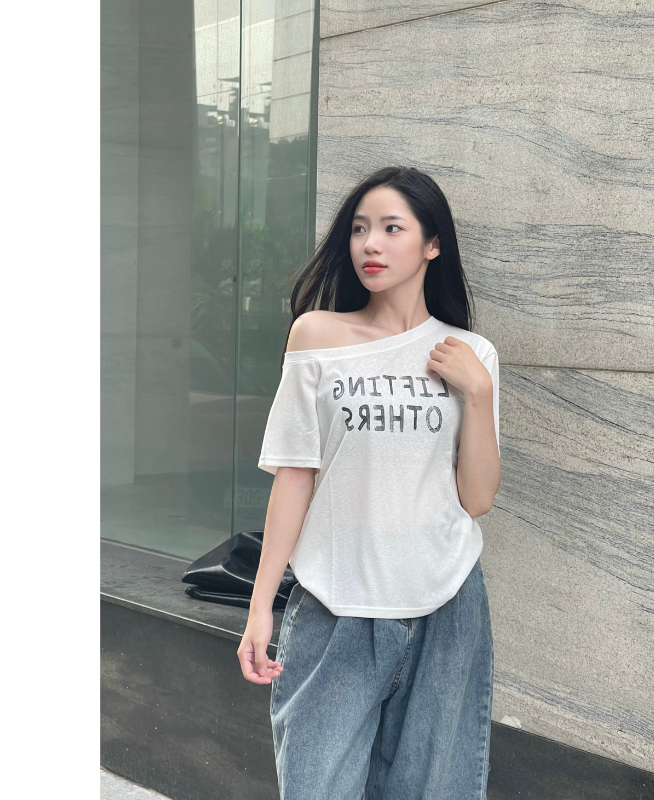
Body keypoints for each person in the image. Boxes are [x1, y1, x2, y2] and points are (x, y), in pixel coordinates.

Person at [237, 166, 502, 800]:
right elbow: (295, 476)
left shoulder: (470, 354)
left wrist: (479, 393)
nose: (370, 245)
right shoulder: (318, 335)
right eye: (359, 229)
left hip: (445, 608)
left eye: (391, 228)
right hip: (336, 609)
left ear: (432, 244)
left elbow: (477, 499)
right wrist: (260, 606)